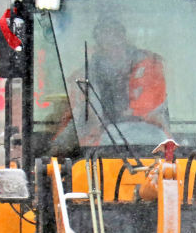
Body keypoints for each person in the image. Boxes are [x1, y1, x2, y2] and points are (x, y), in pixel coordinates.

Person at [53, 16, 169, 154]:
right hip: (96, 154)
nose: (112, 44)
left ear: (123, 38)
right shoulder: (83, 78)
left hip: (151, 148)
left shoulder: (149, 68)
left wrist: (125, 119)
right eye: (105, 39)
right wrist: (56, 148)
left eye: (115, 37)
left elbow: (149, 109)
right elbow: (75, 117)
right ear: (98, 43)